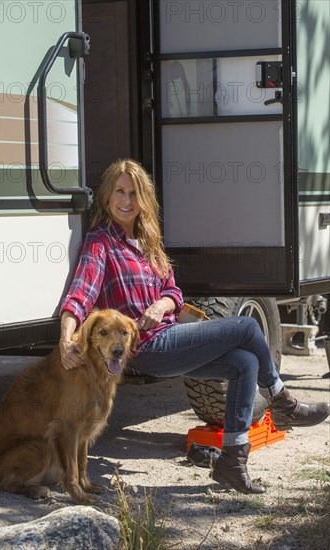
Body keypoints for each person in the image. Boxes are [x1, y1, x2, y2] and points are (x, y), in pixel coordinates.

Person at [59, 159, 330, 495]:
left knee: (244, 364)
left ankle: (232, 462)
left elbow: (173, 292)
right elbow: (80, 294)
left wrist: (161, 304)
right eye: (119, 192)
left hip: (170, 334)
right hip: (146, 346)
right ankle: (283, 401)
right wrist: (65, 335)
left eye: (133, 193)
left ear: (143, 199)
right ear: (107, 196)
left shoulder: (148, 241)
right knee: (246, 327)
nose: (126, 200)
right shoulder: (101, 242)